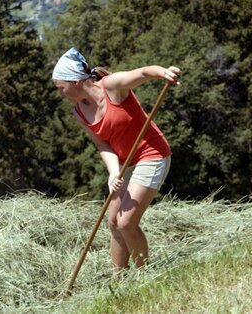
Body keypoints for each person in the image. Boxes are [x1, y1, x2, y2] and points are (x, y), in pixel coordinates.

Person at [52, 47, 181, 270]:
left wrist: (163, 72)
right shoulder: (79, 112)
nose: (60, 93)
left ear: (74, 81)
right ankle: (118, 280)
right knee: (113, 222)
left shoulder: (111, 86)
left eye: (60, 87)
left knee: (126, 222)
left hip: (151, 154)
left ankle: (145, 275)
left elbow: (142, 73)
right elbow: (103, 144)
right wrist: (113, 172)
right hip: (125, 163)